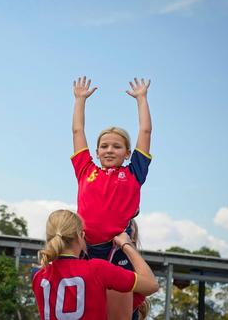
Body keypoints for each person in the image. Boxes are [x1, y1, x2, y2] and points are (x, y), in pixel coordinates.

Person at [70, 76, 152, 319]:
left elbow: (145, 130)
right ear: (96, 151)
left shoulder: (134, 173)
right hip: (83, 247)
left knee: (120, 305)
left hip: (116, 248)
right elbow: (77, 130)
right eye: (104, 146)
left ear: (127, 153)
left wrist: (141, 99)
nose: (109, 150)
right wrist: (80, 100)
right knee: (88, 303)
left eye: (116, 146)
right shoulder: (86, 169)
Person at [31, 210, 158, 320]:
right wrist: (126, 245)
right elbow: (151, 285)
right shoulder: (97, 270)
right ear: (81, 236)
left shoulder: (38, 277)